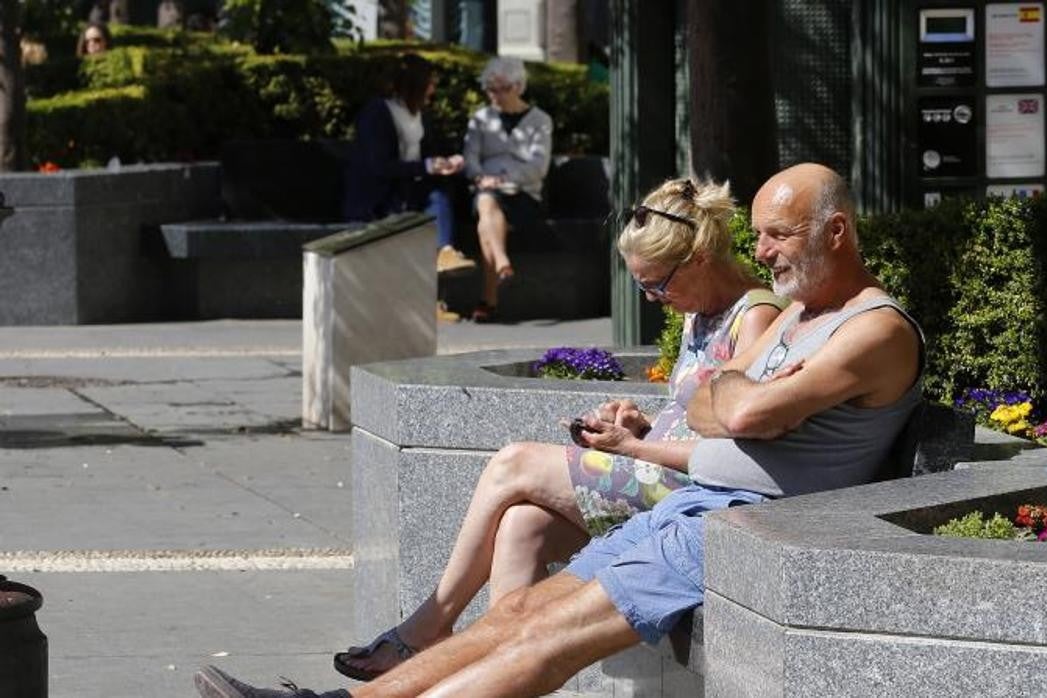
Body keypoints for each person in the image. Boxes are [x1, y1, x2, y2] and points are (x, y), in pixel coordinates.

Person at [192, 163, 924, 698]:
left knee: (548, 637)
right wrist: (734, 396)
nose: (761, 253)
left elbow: (737, 411)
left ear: (836, 230)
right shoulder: (800, 317)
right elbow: (717, 402)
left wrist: (737, 395)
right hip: (696, 505)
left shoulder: (875, 329)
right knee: (519, 611)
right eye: (759, 235)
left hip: (749, 528)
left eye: (778, 236)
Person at [329, 177, 786, 681]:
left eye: (657, 283)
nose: (653, 298)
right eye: (642, 287)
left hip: (700, 496)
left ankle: (426, 630)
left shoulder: (757, 316)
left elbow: (736, 441)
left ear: (700, 258)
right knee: (522, 523)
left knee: (514, 462)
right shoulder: (701, 311)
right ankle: (491, 676)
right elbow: (696, 411)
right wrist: (642, 424)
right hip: (660, 471)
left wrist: (636, 447)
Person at [342, 54, 477, 282]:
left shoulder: (421, 116)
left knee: (439, 191)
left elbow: (431, 154)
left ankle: (445, 252)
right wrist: (426, 166)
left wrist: (449, 162)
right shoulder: (378, 112)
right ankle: (441, 260)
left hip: (411, 190)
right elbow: (379, 166)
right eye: (430, 83)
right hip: (381, 197)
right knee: (431, 198)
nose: (433, 89)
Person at [461, 56, 554, 323]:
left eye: (503, 88)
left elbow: (539, 166)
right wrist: (480, 177)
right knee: (486, 201)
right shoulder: (480, 119)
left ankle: (489, 298)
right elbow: (470, 159)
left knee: (484, 221)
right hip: (485, 191)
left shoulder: (540, 120)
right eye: (491, 89)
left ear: (519, 86)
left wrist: (500, 178)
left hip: (524, 195)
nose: (496, 95)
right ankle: (502, 263)